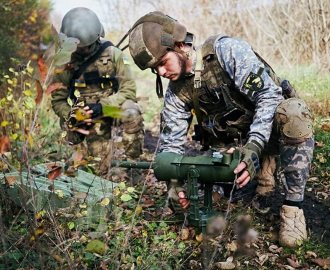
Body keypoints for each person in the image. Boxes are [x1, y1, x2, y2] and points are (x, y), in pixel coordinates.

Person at [125, 11, 314, 248]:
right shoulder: (177, 92)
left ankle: (293, 209)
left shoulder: (225, 52)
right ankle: (263, 171)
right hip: (231, 149)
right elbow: (169, 147)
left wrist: (255, 146)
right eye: (155, 70)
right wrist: (174, 187)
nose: (161, 73)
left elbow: (268, 95)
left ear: (180, 45)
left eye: (162, 62)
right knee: (220, 198)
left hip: (267, 134)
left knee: (294, 113)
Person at [51, 7, 144, 180]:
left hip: (110, 109)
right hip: (85, 117)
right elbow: (58, 100)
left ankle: (134, 165)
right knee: (100, 170)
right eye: (80, 48)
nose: (83, 51)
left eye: (87, 47)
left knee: (131, 111)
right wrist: (73, 114)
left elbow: (128, 89)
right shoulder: (63, 63)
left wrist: (103, 106)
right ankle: (85, 161)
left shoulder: (113, 54)